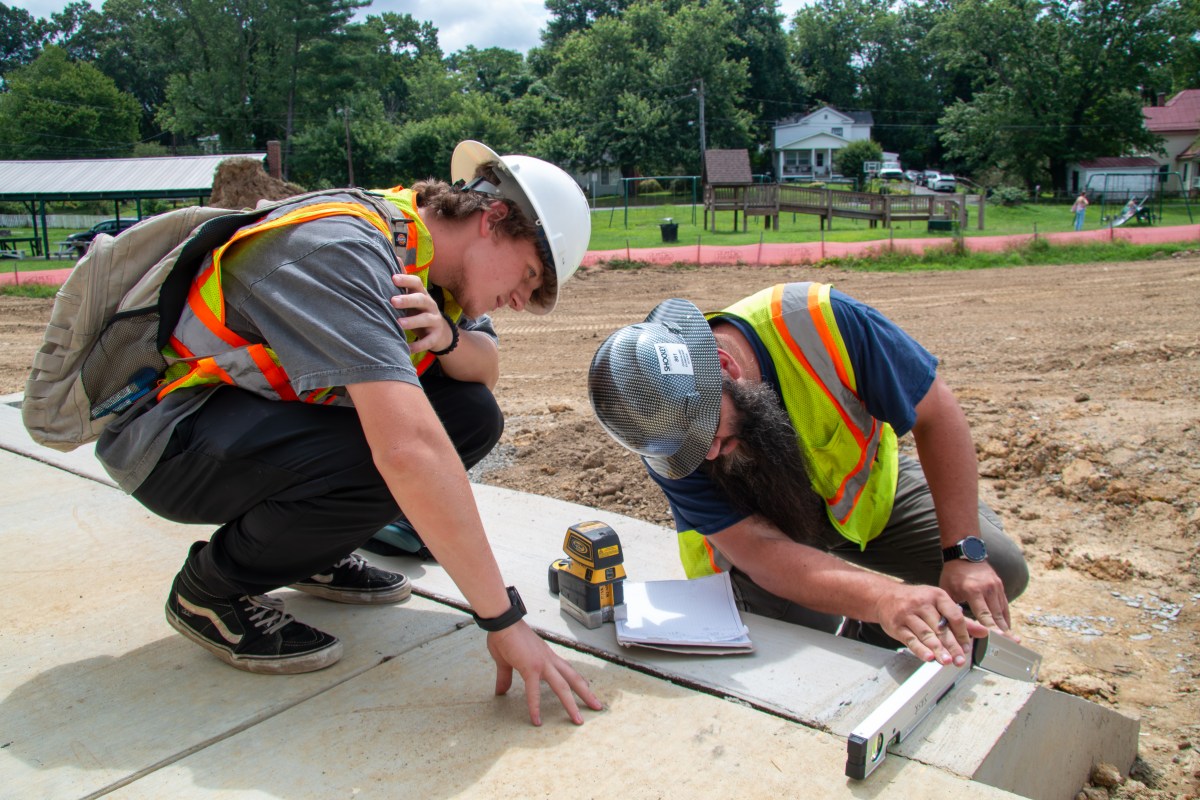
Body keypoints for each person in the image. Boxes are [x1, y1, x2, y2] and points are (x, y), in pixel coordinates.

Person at [96, 140, 602, 726]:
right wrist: (502, 620)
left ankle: (307, 551)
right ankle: (208, 591)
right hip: (169, 437)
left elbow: (485, 371)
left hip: (244, 420)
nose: (520, 299)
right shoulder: (346, 249)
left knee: (469, 414)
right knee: (399, 449)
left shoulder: (425, 249)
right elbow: (407, 452)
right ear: (492, 220)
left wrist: (448, 338)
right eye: (529, 274)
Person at [587, 283, 1029, 667]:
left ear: (725, 367)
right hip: (766, 539)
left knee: (998, 569)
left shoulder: (820, 323)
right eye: (692, 452)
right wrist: (880, 596)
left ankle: (882, 640)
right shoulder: (663, 429)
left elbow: (937, 415)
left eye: (713, 434)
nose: (710, 455)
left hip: (864, 503)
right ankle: (876, 614)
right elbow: (761, 551)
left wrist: (964, 555)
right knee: (789, 642)